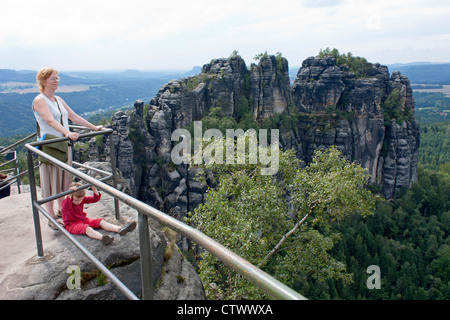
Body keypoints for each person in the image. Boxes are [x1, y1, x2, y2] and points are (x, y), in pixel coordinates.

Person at [32, 67, 104, 230]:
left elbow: (74, 117)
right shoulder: (39, 100)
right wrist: (67, 132)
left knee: (64, 180)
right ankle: (51, 217)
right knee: (51, 183)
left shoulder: (58, 99)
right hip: (50, 146)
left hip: (63, 146)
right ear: (43, 81)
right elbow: (50, 121)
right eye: (52, 78)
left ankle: (60, 211)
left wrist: (94, 128)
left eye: (57, 78)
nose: (56, 80)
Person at [61, 182, 136, 245]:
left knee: (101, 222)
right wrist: (69, 194)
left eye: (80, 200)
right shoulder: (67, 202)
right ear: (71, 197)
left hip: (84, 220)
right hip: (72, 225)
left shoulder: (81, 199)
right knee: (87, 229)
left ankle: (120, 229)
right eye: (76, 200)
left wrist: (94, 188)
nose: (79, 202)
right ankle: (103, 238)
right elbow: (66, 207)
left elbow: (95, 199)